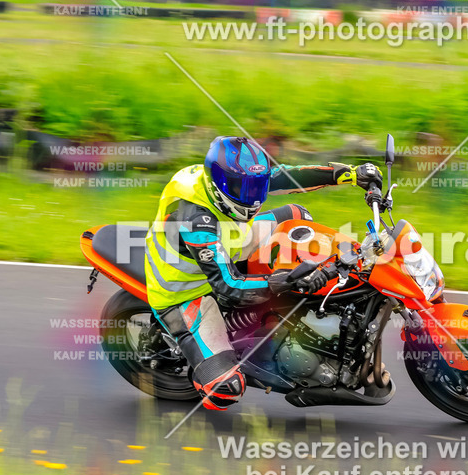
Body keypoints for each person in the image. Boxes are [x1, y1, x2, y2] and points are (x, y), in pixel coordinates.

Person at [145, 136, 382, 411]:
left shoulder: (236, 183)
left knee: (298, 217)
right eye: (243, 188)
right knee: (226, 390)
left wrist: (350, 174)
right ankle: (216, 366)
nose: (254, 197)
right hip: (184, 289)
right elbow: (227, 284)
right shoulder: (195, 218)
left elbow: (287, 177)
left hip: (230, 240)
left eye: (257, 187)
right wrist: (284, 281)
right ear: (218, 184)